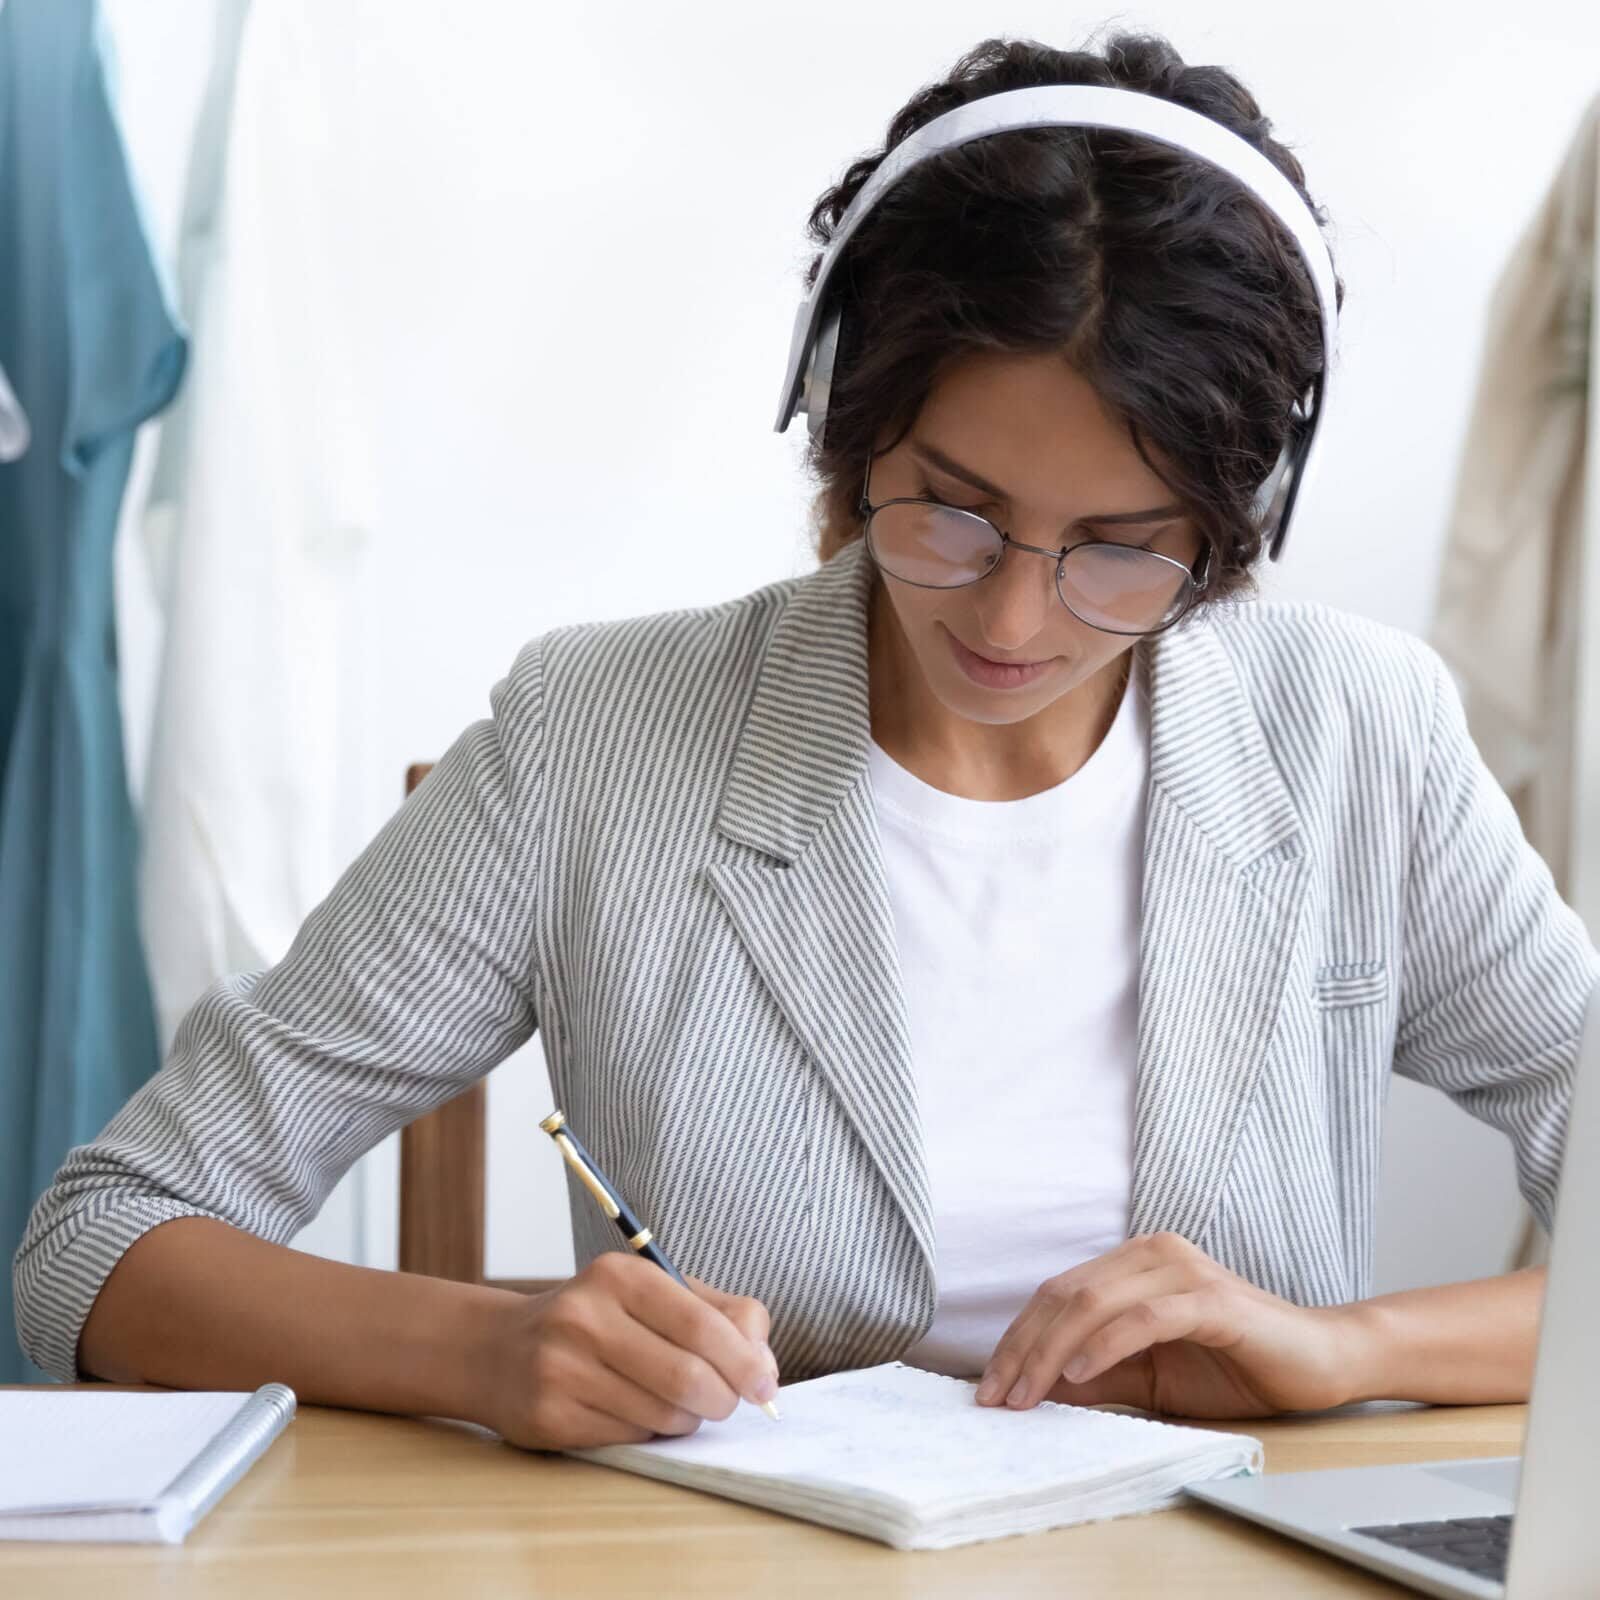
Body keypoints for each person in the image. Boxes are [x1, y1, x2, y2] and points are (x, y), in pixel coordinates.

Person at [13, 31, 1598, 1452]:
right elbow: (98, 1242)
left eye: (1123, 547)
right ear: (839, 422)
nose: (1019, 620)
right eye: (954, 514)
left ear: (1240, 522)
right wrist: (488, 1349)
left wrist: (1343, 1350)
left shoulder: (1356, 733)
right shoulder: (595, 741)